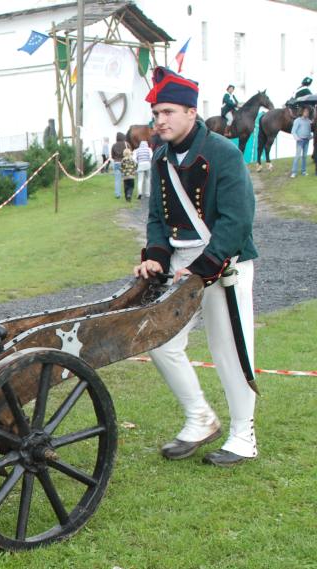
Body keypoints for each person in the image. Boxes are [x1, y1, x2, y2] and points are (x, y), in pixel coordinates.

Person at [133, 66, 258, 467]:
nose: (160, 120)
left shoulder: (223, 152)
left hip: (224, 260)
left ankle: (243, 436)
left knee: (229, 351)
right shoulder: (161, 157)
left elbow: (237, 219)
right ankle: (200, 418)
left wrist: (204, 268)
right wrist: (156, 255)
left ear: (191, 112)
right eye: (156, 114)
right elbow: (157, 215)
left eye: (168, 112)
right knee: (161, 341)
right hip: (183, 263)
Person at [290, 106, 312, 178]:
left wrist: (310, 136)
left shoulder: (309, 121)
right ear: (302, 112)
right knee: (297, 156)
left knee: (304, 157)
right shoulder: (297, 120)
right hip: (300, 141)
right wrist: (297, 138)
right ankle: (294, 172)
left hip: (306, 141)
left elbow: (309, 131)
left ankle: (303, 171)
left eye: (308, 112)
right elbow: (293, 131)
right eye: (305, 112)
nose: (307, 113)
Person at [111, 133, 128, 199]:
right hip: (125, 163)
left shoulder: (114, 145)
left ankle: (118, 194)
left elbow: (112, 156)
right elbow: (130, 153)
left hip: (117, 163)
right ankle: (127, 194)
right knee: (126, 179)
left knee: (117, 180)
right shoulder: (126, 144)